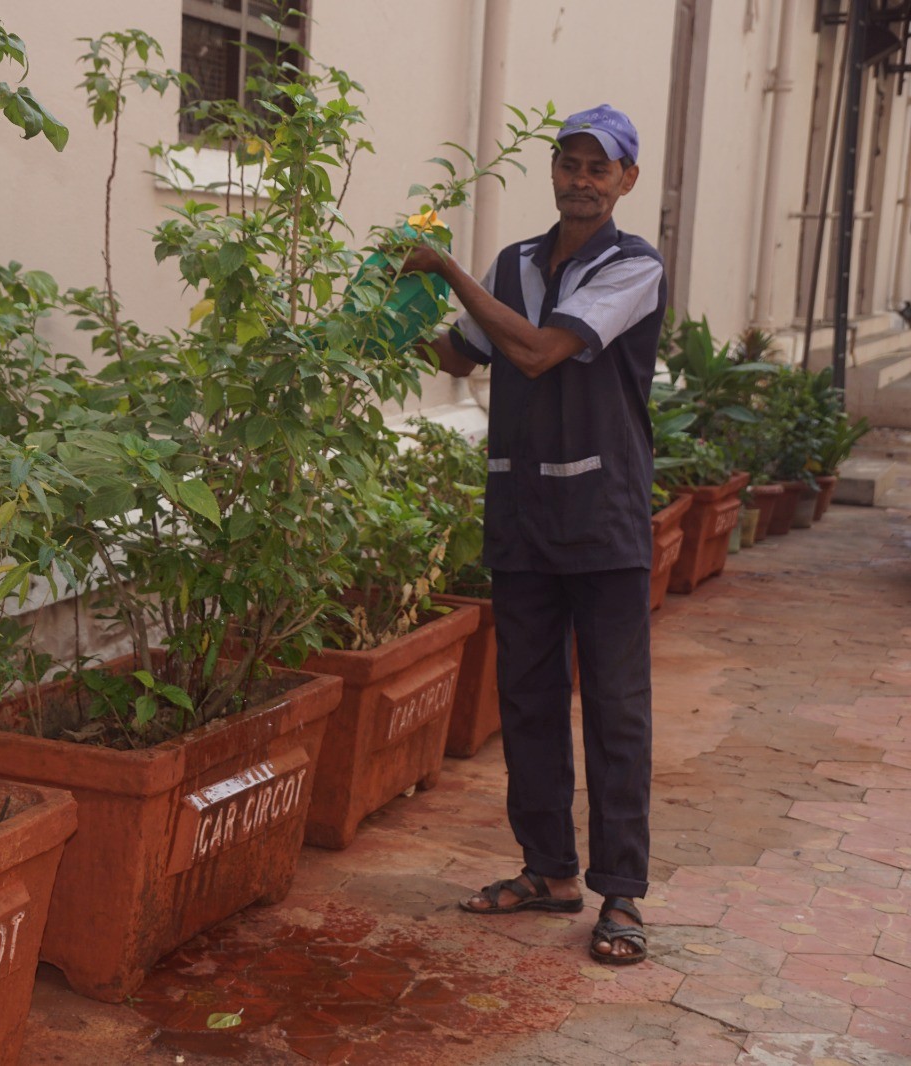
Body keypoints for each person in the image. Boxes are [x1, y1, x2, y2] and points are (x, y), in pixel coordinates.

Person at [403, 104, 666, 964]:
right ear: (552, 171)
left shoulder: (634, 266)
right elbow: (466, 351)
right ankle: (549, 871)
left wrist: (445, 267)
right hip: (521, 510)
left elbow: (539, 351)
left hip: (603, 516)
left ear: (626, 180)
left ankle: (620, 892)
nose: (581, 181)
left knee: (616, 710)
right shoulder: (514, 262)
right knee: (527, 699)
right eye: (569, 164)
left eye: (599, 168)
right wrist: (384, 320)